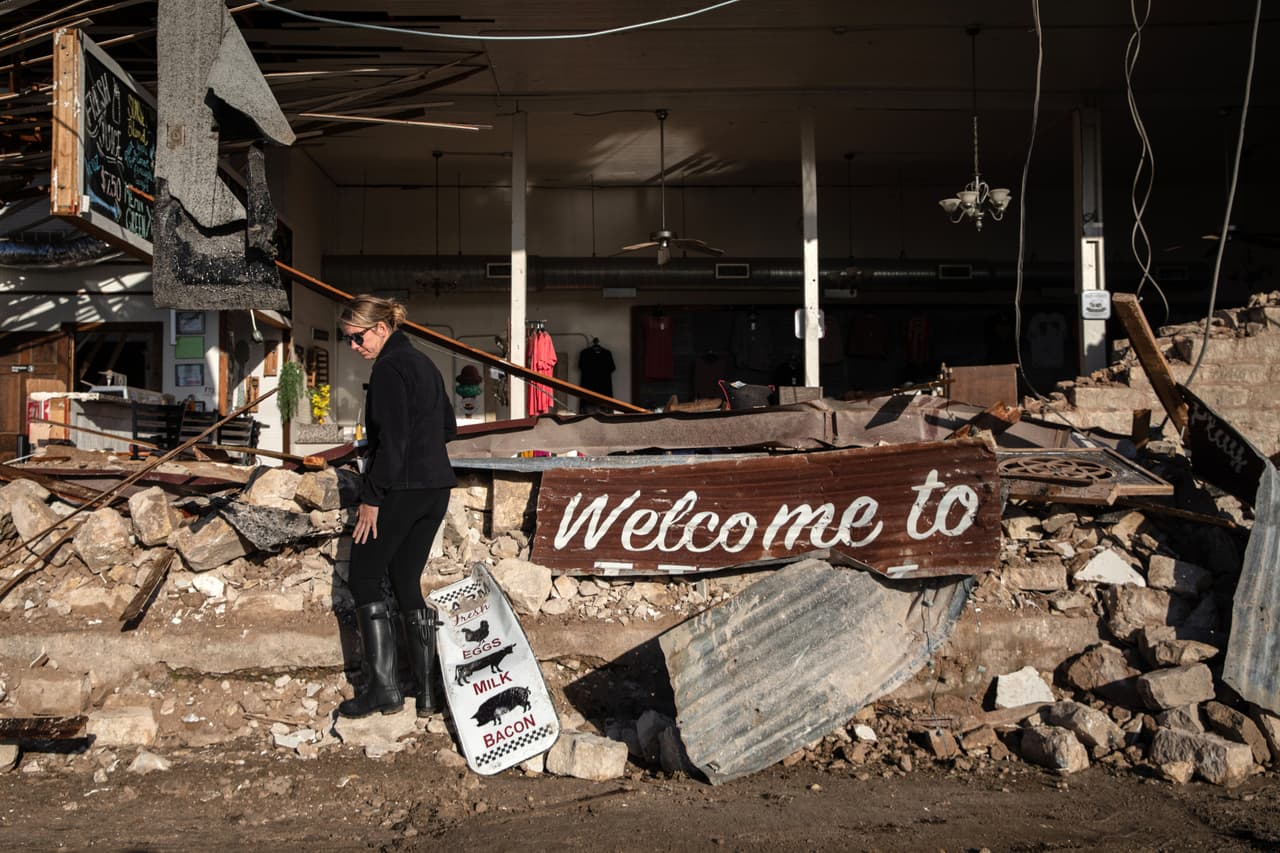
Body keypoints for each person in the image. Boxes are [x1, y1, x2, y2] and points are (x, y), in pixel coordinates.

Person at [337, 294, 457, 718]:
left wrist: (372, 498)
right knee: (406, 580)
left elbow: (394, 443)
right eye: (346, 339)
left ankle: (383, 691)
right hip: (436, 487)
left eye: (355, 338)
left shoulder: (388, 368)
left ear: (381, 329)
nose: (353, 347)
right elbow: (448, 426)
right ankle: (427, 695)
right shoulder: (424, 364)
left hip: (401, 489)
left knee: (365, 579)